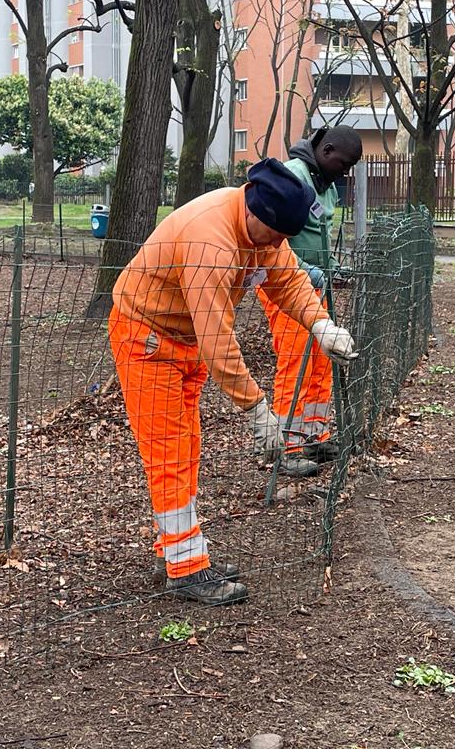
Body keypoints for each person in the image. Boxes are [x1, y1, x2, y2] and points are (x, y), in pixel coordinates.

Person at [109, 159, 357, 606]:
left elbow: (288, 279)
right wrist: (257, 409)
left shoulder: (264, 233)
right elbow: (217, 341)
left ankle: (180, 551)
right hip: (148, 340)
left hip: (181, 341)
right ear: (254, 211)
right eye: (277, 234)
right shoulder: (212, 241)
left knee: (185, 444)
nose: (280, 243)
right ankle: (185, 568)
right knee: (169, 449)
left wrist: (321, 326)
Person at [256, 126, 363, 478]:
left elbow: (320, 236)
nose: (344, 172)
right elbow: (275, 246)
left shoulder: (325, 186)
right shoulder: (293, 179)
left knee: (320, 359)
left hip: (315, 284)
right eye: (343, 164)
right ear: (326, 149)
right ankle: (287, 445)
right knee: (295, 360)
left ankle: (313, 434)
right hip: (286, 288)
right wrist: (317, 275)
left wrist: (333, 271)